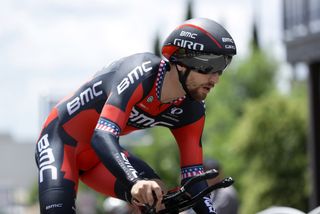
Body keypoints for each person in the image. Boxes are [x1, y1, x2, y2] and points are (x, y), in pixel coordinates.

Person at [35, 17, 237, 214]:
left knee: (157, 197)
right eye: (210, 67)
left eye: (222, 68)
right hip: (60, 143)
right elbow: (102, 136)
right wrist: (134, 181)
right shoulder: (143, 72)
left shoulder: (191, 109)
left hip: (99, 158)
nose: (215, 79)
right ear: (182, 61)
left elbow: (193, 177)